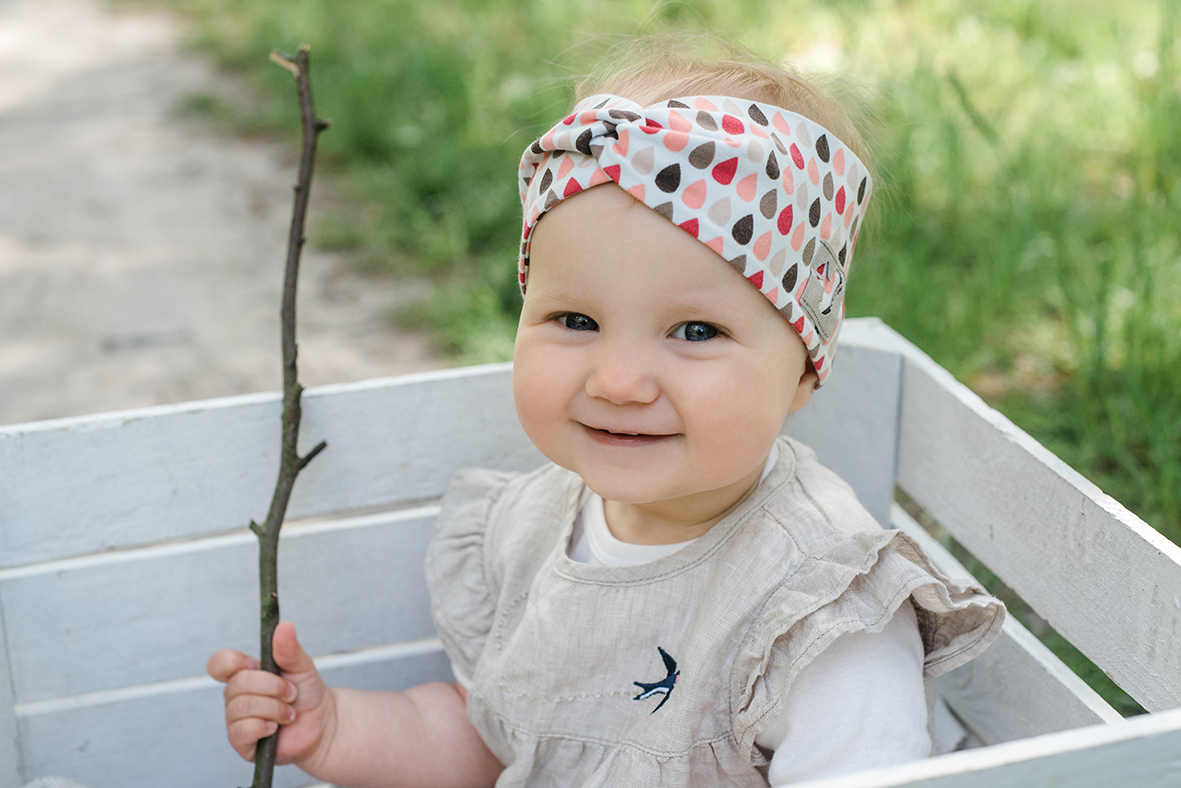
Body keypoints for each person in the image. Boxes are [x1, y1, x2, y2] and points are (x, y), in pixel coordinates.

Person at [208, 39, 1004, 788]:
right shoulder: (530, 529)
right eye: (576, 321)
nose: (619, 380)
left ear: (803, 369)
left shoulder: (819, 621)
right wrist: (336, 729)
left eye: (695, 332)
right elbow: (496, 742)